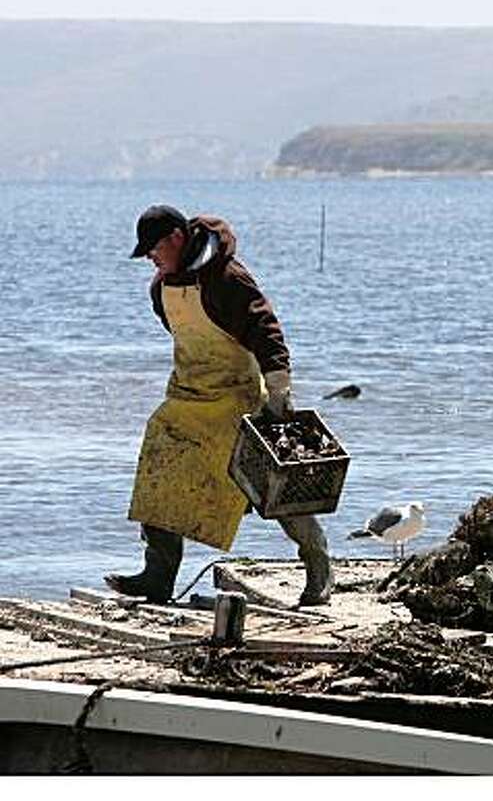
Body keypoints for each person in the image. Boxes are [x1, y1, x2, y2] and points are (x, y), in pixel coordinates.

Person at [105, 205, 334, 606]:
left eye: (154, 250)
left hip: (238, 398)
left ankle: (319, 569)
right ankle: (157, 576)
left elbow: (266, 330)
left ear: (177, 238)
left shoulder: (226, 278)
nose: (150, 260)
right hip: (189, 398)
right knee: (160, 464)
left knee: (273, 487)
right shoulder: (161, 289)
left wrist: (279, 389)